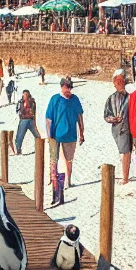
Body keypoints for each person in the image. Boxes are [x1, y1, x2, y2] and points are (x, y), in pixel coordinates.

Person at [43, 76, 85, 205]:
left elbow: (80, 117)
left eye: (70, 87)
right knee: (53, 159)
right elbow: (49, 118)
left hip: (70, 134)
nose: (69, 90)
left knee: (69, 159)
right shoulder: (55, 99)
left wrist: (82, 133)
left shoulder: (75, 99)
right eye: (67, 87)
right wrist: (50, 135)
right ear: (62, 87)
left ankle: (68, 180)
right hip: (55, 135)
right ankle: (53, 179)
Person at [103, 70, 132, 182]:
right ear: (114, 83)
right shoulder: (111, 98)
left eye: (121, 80)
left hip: (130, 127)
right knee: (124, 152)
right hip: (117, 128)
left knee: (127, 151)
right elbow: (106, 115)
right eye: (117, 81)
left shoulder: (130, 97)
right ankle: (125, 176)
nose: (119, 83)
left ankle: (126, 176)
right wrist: (113, 119)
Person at [13, 89, 37, 153]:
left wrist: (34, 119)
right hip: (23, 120)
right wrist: (20, 114)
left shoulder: (32, 102)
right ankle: (18, 149)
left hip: (30, 120)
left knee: (36, 134)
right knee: (20, 135)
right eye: (24, 94)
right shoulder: (20, 102)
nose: (25, 95)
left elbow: (34, 111)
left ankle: (39, 147)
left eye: (26, 94)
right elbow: (17, 110)